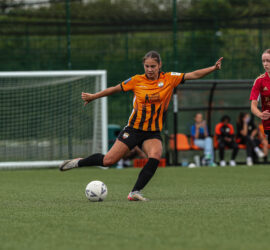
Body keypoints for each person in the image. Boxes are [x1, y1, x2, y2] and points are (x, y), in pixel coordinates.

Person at [59, 50, 223, 201]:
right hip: (134, 130)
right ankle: (77, 162)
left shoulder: (169, 78)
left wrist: (213, 68)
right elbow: (115, 89)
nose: (150, 69)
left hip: (152, 132)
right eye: (147, 66)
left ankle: (135, 192)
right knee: (108, 160)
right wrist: (94, 96)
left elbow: (192, 74)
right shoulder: (137, 80)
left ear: (160, 65)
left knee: (156, 155)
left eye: (153, 66)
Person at [250, 48, 270, 153]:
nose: (265, 64)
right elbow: (253, 106)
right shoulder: (259, 81)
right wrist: (260, 114)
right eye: (263, 61)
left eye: (268, 61)